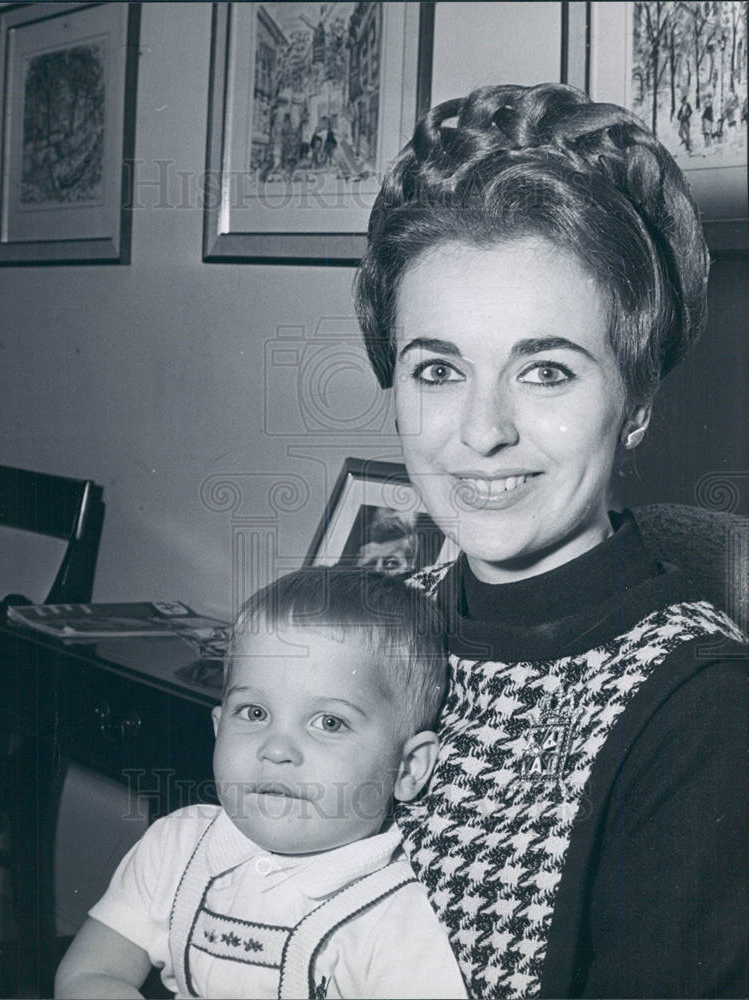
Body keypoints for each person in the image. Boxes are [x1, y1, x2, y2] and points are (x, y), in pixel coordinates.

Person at [354, 82, 748, 998]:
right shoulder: (381, 626)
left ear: (637, 402)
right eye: (439, 369)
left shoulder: (697, 714)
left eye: (545, 371)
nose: (481, 430)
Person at [54, 567, 468, 999]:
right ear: (218, 727)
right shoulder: (175, 846)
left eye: (329, 722)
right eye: (254, 713)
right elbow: (90, 972)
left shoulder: (396, 918)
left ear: (408, 768)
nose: (276, 748)